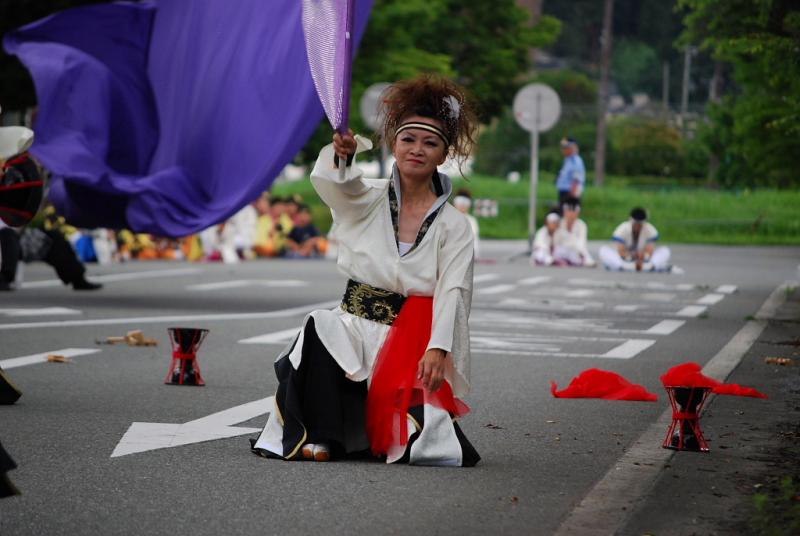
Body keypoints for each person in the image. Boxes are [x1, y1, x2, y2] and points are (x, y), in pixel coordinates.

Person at [251, 75, 480, 466]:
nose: (417, 150)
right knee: (319, 326)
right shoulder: (368, 197)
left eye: (430, 143)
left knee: (421, 445)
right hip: (354, 326)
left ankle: (379, 428)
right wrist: (343, 156)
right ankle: (323, 437)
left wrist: (438, 348)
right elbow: (336, 185)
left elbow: (453, 290)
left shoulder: (454, 225)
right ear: (395, 145)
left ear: (443, 155)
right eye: (409, 140)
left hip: (409, 336)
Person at [598, 207, 672, 272]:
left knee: (665, 250)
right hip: (626, 260)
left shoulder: (650, 229)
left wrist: (643, 256)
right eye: (635, 223)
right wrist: (632, 256)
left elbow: (649, 252)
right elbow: (621, 251)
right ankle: (643, 268)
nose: (637, 226)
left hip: (644, 261)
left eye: (640, 224)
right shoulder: (623, 228)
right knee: (603, 250)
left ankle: (645, 267)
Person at [558, 196, 596, 267]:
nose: (571, 214)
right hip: (561, 251)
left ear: (577, 213)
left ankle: (583, 259)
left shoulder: (582, 225)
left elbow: (582, 242)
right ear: (564, 212)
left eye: (574, 212)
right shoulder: (559, 223)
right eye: (568, 211)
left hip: (576, 251)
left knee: (579, 251)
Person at [555, 137, 585, 204]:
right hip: (564, 192)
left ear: (572, 148)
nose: (563, 150)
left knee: (568, 213)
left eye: (565, 148)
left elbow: (576, 179)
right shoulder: (567, 160)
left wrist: (572, 197)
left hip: (570, 194)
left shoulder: (575, 161)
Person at [453, 188, 480, 259]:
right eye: (459, 203)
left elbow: (472, 237)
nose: (462, 206)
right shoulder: (447, 218)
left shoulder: (471, 220)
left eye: (465, 204)